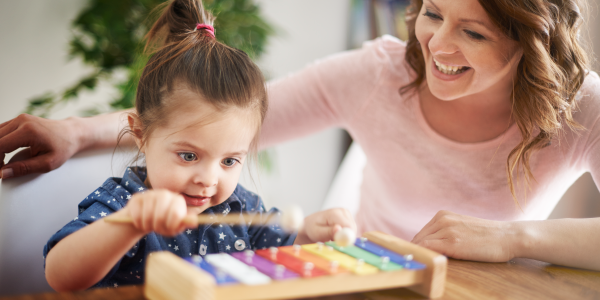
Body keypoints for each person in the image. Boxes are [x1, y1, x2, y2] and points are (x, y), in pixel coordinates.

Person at [2, 0, 599, 271]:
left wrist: (512, 238)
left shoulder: (583, 108)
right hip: (365, 281)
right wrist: (78, 132)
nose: (437, 46)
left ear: (531, 42)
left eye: (474, 32)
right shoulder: (378, 73)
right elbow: (207, 118)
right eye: (433, 14)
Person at [40, 0, 356, 292]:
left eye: (230, 161)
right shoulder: (123, 205)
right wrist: (129, 226)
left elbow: (281, 252)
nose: (209, 179)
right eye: (189, 155)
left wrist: (309, 234)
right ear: (140, 135)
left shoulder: (241, 209)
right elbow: (61, 276)